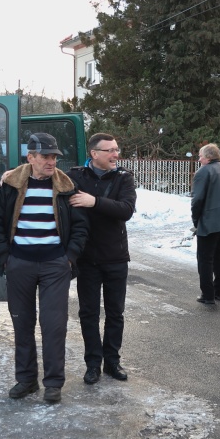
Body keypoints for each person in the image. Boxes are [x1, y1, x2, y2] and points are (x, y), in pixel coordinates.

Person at [0, 133, 89, 404]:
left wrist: (69, 257)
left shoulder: (67, 186)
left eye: (54, 156)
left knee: (54, 326)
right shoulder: (11, 184)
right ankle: (26, 379)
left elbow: (80, 226)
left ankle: (53, 383)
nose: (51, 161)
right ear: (30, 157)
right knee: (22, 323)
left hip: (55, 265)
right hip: (19, 264)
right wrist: (5, 257)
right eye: (45, 156)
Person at [67, 133, 137, 385]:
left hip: (115, 257)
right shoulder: (75, 176)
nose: (115, 155)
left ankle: (112, 362)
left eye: (117, 149)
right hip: (86, 258)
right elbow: (43, 175)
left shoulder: (124, 178)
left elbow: (126, 210)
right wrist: (10, 174)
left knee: (115, 313)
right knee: (88, 313)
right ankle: (93, 364)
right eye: (110, 150)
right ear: (94, 153)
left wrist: (93, 202)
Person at [191, 143, 220, 305]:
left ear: (208, 157)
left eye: (200, 156)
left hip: (209, 221)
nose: (199, 159)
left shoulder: (203, 172)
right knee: (219, 256)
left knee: (205, 258)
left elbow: (197, 199)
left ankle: (207, 294)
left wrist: (196, 219)